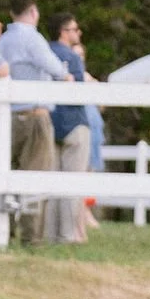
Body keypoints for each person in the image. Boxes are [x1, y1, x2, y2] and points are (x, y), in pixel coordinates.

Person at [0, 0, 69, 246]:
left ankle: (4, 231)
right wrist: (66, 74)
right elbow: (54, 68)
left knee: (7, 174)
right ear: (33, 12)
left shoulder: (4, 40)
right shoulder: (33, 38)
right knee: (35, 175)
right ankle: (32, 237)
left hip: (10, 117)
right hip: (35, 115)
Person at [47, 15, 96, 244]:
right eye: (75, 29)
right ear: (64, 32)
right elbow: (79, 95)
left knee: (52, 183)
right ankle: (68, 235)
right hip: (74, 123)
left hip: (51, 122)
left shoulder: (45, 53)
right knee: (73, 183)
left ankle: (50, 233)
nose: (79, 33)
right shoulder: (72, 57)